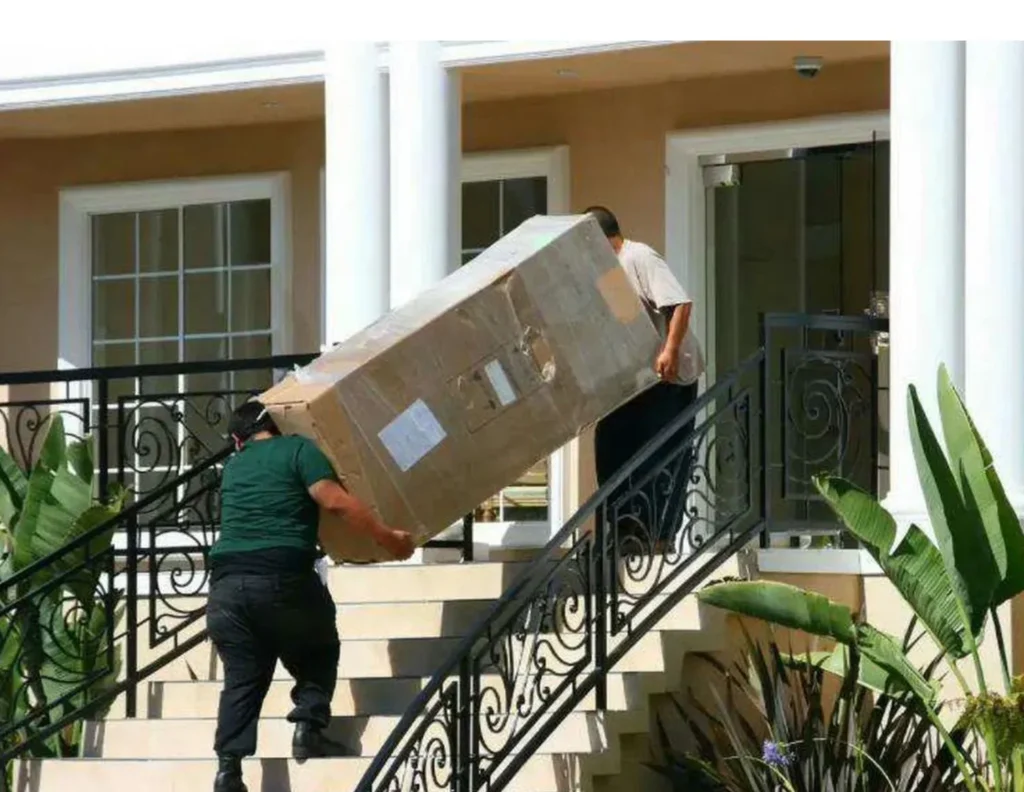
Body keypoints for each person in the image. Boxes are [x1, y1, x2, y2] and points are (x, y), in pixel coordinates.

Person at [208, 400, 415, 792]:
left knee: (243, 678)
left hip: (225, 589)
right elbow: (334, 501)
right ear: (275, 425)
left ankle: (228, 769)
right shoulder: (298, 450)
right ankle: (309, 726)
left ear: (239, 440)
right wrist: (389, 539)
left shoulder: (234, 467)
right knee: (318, 647)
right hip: (281, 577)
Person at [585, 205, 706, 552]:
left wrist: (669, 350)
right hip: (639, 379)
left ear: (599, 236)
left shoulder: (639, 257)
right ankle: (626, 531)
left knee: (662, 454)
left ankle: (658, 537)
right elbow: (628, 325)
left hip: (670, 375)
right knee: (611, 442)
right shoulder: (608, 273)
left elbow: (680, 304)